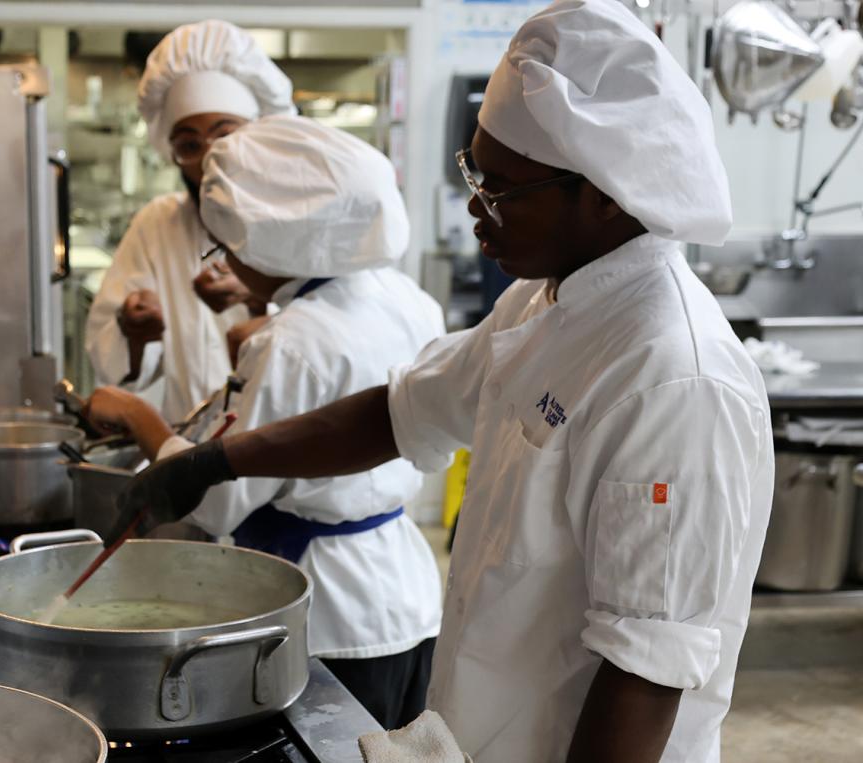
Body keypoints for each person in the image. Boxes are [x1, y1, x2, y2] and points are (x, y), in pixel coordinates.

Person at [107, 2, 775, 760]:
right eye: (473, 173)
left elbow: (644, 677)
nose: (474, 209)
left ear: (605, 195)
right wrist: (216, 461)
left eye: (500, 190)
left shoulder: (670, 378)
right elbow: (402, 411)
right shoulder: (543, 300)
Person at [85, 115, 446, 730]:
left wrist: (137, 414)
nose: (223, 261)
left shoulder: (292, 343)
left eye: (227, 246)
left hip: (326, 613)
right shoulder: (402, 297)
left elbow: (218, 500)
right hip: (406, 594)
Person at [85, 20, 292, 424]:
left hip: (285, 449)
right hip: (188, 445)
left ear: (257, 135)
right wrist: (133, 330)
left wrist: (258, 295)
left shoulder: (296, 220)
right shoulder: (158, 225)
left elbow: (334, 335)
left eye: (225, 137)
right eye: (189, 145)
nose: (209, 159)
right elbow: (115, 366)